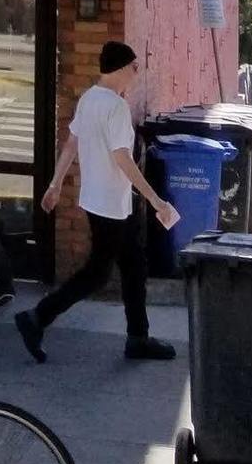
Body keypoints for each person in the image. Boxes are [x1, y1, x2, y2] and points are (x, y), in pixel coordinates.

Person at [15, 41, 181, 364]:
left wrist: (55, 184)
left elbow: (70, 144)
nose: (137, 73)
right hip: (111, 206)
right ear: (120, 68)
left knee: (134, 266)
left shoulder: (90, 98)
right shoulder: (115, 107)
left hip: (101, 201)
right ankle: (37, 317)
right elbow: (123, 159)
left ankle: (138, 338)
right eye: (134, 67)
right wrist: (157, 200)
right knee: (97, 274)